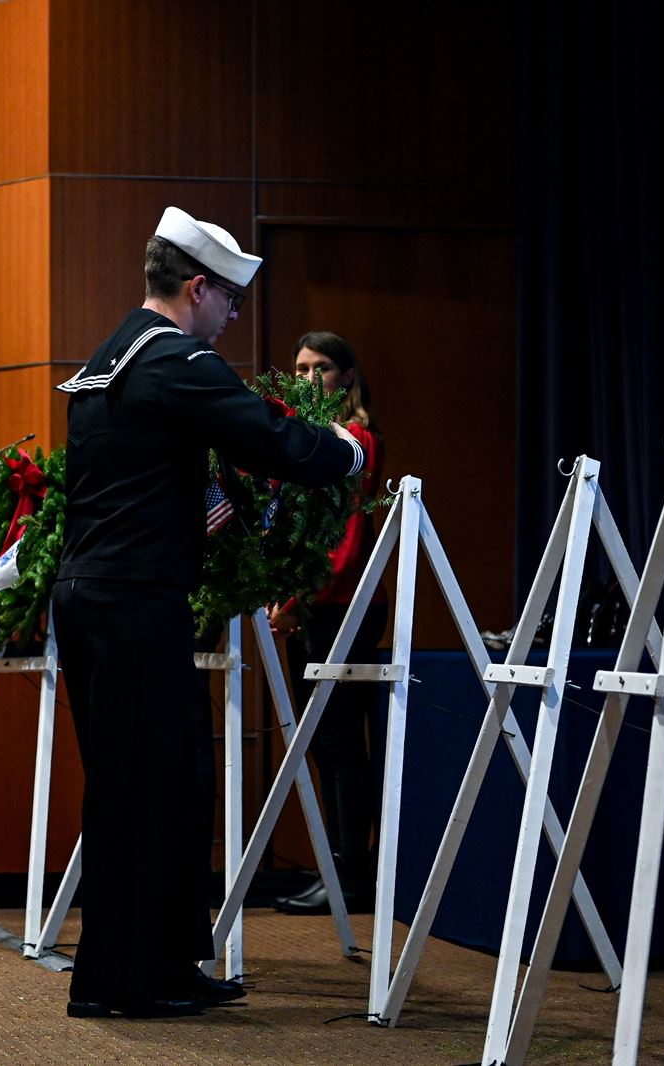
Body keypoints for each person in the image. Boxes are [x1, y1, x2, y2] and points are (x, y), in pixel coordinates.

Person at [52, 207, 364, 1019]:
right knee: (147, 787)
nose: (233, 317)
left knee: (159, 782)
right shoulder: (178, 361)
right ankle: (125, 982)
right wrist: (348, 450)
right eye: (229, 299)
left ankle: (158, 963)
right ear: (196, 289)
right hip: (134, 604)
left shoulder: (114, 353)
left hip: (97, 600)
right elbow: (268, 437)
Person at [269, 331, 387, 915]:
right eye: (299, 366)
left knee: (339, 742)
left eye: (320, 367)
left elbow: (341, 540)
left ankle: (349, 877)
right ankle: (340, 871)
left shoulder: (353, 439)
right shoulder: (303, 441)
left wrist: (300, 601)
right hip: (314, 603)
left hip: (341, 603)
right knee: (322, 740)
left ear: (345, 377)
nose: (308, 376)